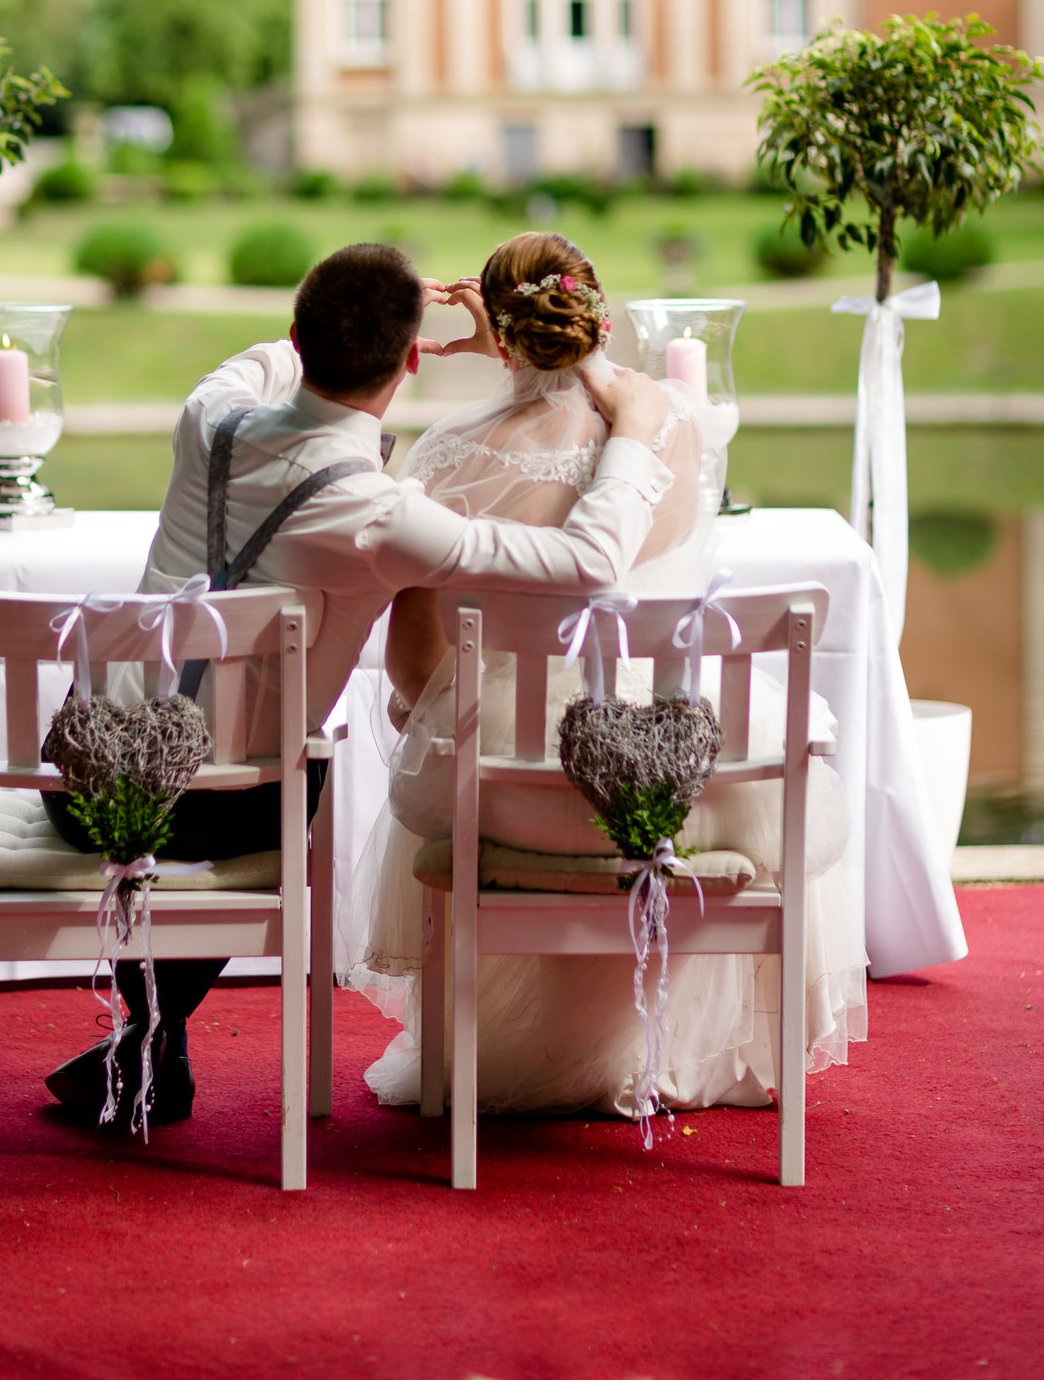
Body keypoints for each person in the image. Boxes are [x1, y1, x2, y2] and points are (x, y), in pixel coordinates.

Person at [44, 240, 683, 1126]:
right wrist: (639, 429)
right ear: (409, 361)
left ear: (303, 335)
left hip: (80, 780)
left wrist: (382, 310)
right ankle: (149, 1035)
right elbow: (589, 559)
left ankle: (151, 1042)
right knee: (297, 758)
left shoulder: (210, 413)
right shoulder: (378, 513)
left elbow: (275, 355)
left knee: (272, 754)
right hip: (215, 808)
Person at [341, 231, 865, 1119]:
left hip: (516, 790)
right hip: (684, 776)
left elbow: (412, 656)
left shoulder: (442, 453)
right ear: (600, 318)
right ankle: (672, 1039)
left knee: (449, 737)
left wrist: (416, 711)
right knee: (781, 755)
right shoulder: (671, 425)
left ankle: (517, 1043)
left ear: (497, 335)